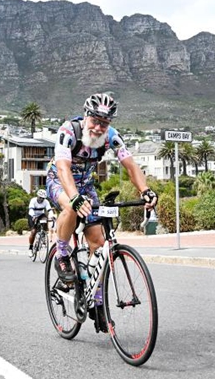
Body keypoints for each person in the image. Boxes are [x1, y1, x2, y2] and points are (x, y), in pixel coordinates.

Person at [46, 93, 158, 330]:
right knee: (70, 207)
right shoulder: (69, 131)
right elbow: (63, 167)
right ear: (86, 116)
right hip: (59, 181)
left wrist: (145, 190)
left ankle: (97, 303)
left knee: (98, 243)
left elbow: (130, 164)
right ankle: (63, 255)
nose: (98, 128)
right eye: (95, 121)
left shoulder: (111, 137)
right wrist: (74, 198)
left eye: (104, 123)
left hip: (86, 186)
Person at [27, 189, 51, 256]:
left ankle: (43, 234)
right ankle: (30, 248)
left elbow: (49, 210)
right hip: (32, 215)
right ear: (37, 196)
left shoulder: (46, 202)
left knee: (45, 219)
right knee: (33, 232)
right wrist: (34, 216)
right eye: (40, 197)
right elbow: (31, 210)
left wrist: (52, 216)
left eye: (43, 198)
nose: (41, 199)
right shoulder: (33, 200)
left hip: (41, 215)